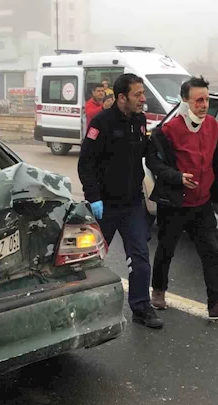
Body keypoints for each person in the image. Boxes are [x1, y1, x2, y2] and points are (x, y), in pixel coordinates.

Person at [146, 76, 218, 319]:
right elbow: (154, 161)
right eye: (198, 100)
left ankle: (216, 303)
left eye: (207, 99)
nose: (203, 104)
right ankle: (158, 291)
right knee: (166, 250)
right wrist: (177, 177)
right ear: (185, 101)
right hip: (175, 203)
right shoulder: (168, 130)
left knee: (211, 253)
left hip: (202, 203)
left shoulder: (214, 127)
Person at [78, 73, 163, 329]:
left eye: (143, 93)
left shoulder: (138, 120)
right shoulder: (102, 123)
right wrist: (94, 198)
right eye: (138, 94)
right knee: (89, 259)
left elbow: (145, 151)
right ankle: (81, 307)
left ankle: (141, 307)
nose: (143, 99)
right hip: (105, 207)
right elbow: (86, 164)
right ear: (122, 97)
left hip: (132, 205)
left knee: (139, 259)